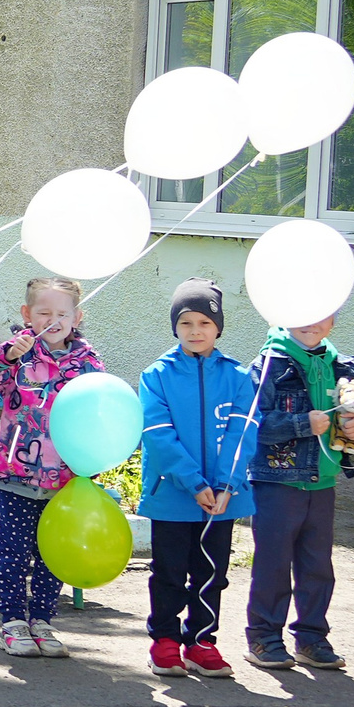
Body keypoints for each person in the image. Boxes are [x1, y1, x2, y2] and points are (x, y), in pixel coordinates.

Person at [0, 275, 104, 660]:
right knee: (14, 553)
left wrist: (89, 465)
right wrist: (10, 353)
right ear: (28, 315)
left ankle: (43, 620)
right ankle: (12, 623)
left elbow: (97, 414)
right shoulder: (18, 355)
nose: (53, 320)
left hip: (65, 478)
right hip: (17, 474)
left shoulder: (89, 362)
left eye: (62, 313)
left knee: (51, 554)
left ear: (76, 318)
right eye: (44, 312)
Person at [246, 309, 354, 671]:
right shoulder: (268, 364)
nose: (313, 323)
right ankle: (264, 638)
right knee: (273, 564)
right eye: (302, 313)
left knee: (317, 567)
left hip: (323, 483)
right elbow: (251, 423)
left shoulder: (343, 365)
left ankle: (311, 637)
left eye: (323, 314)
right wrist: (301, 423)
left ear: (335, 319)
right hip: (277, 482)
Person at [136, 278, 258, 679]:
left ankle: (202, 642)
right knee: (169, 570)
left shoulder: (239, 376)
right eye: (186, 322)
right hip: (173, 496)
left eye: (204, 322)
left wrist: (225, 485)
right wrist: (195, 483)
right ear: (175, 326)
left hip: (222, 501)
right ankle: (166, 641)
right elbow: (157, 435)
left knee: (211, 573)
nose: (195, 331)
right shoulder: (157, 375)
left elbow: (244, 433)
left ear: (218, 327)